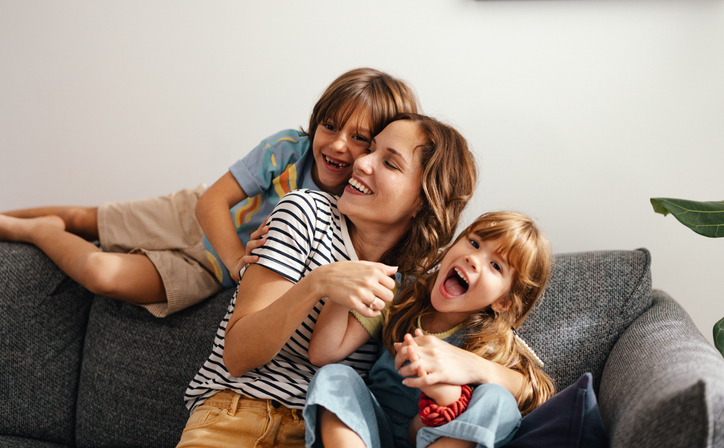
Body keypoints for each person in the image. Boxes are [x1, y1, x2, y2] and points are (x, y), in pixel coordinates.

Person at [0, 68, 418, 317]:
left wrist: (234, 269)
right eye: (329, 126)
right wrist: (239, 261)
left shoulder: (361, 207)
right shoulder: (291, 148)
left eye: (360, 138)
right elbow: (212, 202)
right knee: (82, 218)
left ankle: (37, 231)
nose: (338, 144)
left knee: (100, 274)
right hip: (196, 216)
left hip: (209, 268)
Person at [178, 113, 485, 447]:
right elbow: (237, 356)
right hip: (236, 412)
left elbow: (519, 379)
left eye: (389, 163)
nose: (362, 163)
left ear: (423, 201)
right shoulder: (305, 213)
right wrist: (318, 284)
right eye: (371, 149)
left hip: (326, 433)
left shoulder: (414, 286)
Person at [303, 211, 556, 448]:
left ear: (503, 302)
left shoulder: (489, 342)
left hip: (433, 436)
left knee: (498, 400)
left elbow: (538, 392)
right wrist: (339, 292)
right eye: (474, 243)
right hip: (371, 427)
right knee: (335, 376)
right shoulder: (399, 294)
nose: (474, 259)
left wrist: (448, 391)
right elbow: (323, 354)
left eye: (496, 266)